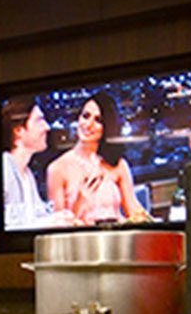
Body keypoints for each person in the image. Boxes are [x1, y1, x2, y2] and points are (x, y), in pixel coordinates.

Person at [46, 93, 151, 225]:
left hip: (117, 235)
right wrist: (80, 200)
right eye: (85, 116)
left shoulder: (117, 164)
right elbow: (58, 226)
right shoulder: (57, 169)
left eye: (98, 120)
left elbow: (135, 213)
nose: (88, 124)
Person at [0, 99, 75, 230]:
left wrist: (59, 218)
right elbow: (0, 226)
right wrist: (49, 223)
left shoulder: (27, 174)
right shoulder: (4, 168)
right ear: (19, 130)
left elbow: (34, 219)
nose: (47, 127)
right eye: (39, 121)